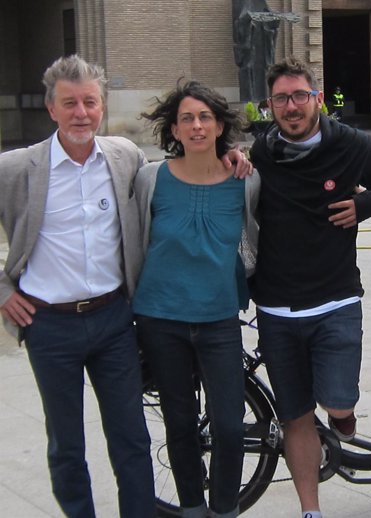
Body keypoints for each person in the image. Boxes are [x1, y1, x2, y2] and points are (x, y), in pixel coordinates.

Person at [0, 55, 156, 518]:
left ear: (102, 107)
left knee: (131, 437)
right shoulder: (15, 169)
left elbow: (168, 189)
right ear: (52, 109)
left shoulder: (126, 157)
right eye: (70, 103)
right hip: (49, 327)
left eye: (89, 102)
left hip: (113, 321)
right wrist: (3, 291)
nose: (81, 113)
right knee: (66, 443)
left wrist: (230, 156)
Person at [249, 56, 371, 518]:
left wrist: (367, 205)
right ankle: (310, 511)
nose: (291, 106)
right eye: (281, 99)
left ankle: (340, 417)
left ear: (316, 97)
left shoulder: (351, 145)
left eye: (299, 96)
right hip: (277, 309)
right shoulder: (260, 154)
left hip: (336, 300)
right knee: (294, 417)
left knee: (338, 402)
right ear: (270, 105)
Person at [133, 81, 259, 518]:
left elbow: (258, 236)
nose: (196, 125)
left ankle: (224, 509)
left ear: (220, 125)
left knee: (228, 424)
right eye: (186, 118)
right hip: (159, 317)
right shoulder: (151, 178)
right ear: (174, 128)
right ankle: (190, 507)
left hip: (218, 317)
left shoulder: (245, 179)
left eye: (205, 116)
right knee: (180, 423)